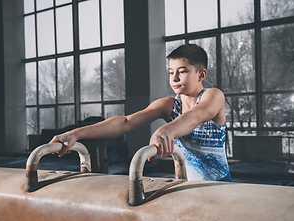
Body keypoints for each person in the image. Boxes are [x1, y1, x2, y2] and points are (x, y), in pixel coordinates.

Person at [50, 44, 232, 182]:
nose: (174, 79)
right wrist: (76, 133)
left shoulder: (213, 96)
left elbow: (195, 116)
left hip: (221, 186)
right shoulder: (167, 105)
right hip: (187, 186)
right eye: (171, 72)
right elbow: (126, 122)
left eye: (182, 72)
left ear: (201, 75)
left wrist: (166, 130)